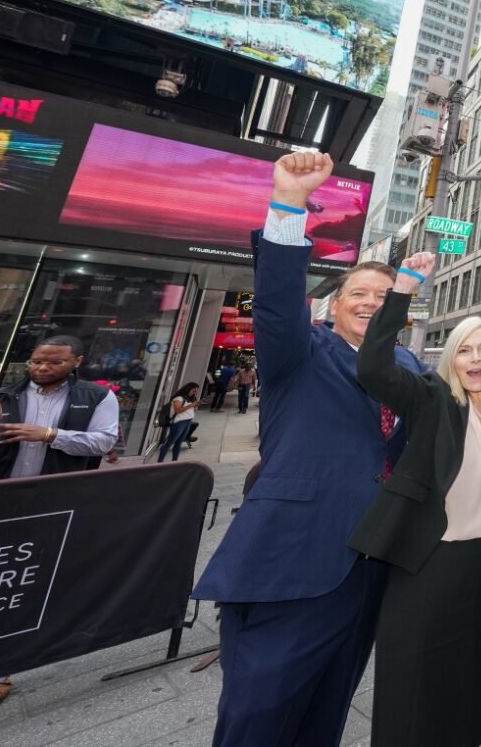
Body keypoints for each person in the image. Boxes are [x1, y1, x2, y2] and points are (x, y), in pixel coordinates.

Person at [193, 151, 424, 747]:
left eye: (385, 294)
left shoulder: (407, 365)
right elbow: (275, 298)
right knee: (258, 720)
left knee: (327, 717)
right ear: (334, 305)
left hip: (369, 573)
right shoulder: (300, 352)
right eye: (359, 294)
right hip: (292, 566)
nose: (372, 302)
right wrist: (290, 202)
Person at [349, 250, 481, 747]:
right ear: (452, 359)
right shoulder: (432, 398)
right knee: (410, 686)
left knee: (467, 684)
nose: (475, 359)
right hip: (427, 561)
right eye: (465, 350)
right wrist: (402, 290)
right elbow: (375, 370)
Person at [0, 335, 120, 710]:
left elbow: (103, 443)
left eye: (54, 362)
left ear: (77, 361)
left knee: (22, 588)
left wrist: (51, 435)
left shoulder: (98, 398)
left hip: (51, 508)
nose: (42, 368)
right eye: (36, 362)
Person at [156, 383, 201, 462]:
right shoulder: (179, 398)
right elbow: (178, 410)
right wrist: (191, 405)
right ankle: (160, 461)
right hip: (179, 422)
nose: (194, 393)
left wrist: (194, 405)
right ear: (188, 389)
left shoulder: (188, 398)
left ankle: (174, 461)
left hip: (187, 421)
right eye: (193, 391)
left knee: (179, 443)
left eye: (196, 391)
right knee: (170, 442)